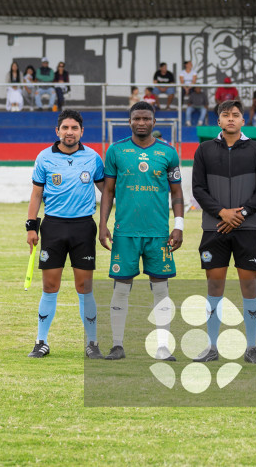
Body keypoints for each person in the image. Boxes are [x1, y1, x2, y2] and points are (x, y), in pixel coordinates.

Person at [98, 101, 184, 361]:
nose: (141, 123)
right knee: (121, 287)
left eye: (146, 118)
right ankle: (117, 345)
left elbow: (177, 193)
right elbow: (108, 191)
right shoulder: (116, 151)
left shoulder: (168, 153)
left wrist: (178, 226)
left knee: (160, 287)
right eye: (137, 118)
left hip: (159, 232)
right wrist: (103, 225)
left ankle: (162, 347)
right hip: (125, 232)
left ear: (154, 122)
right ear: (130, 121)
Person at [191, 99, 256, 364]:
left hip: (247, 228)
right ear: (218, 120)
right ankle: (212, 347)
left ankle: (251, 348)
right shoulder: (203, 150)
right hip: (213, 227)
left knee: (249, 285)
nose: (231, 119)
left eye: (236, 115)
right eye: (226, 115)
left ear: (242, 120)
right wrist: (222, 213)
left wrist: (241, 214)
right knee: (215, 285)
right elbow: (198, 189)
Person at [25, 109, 106, 359]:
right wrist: (31, 226)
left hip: (83, 227)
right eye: (65, 128)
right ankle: (41, 341)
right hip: (53, 227)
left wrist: (110, 220)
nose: (69, 132)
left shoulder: (93, 158)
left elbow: (106, 191)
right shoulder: (44, 157)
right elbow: (36, 194)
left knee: (85, 287)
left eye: (74, 128)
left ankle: (91, 343)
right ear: (57, 131)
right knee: (50, 286)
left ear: (82, 131)